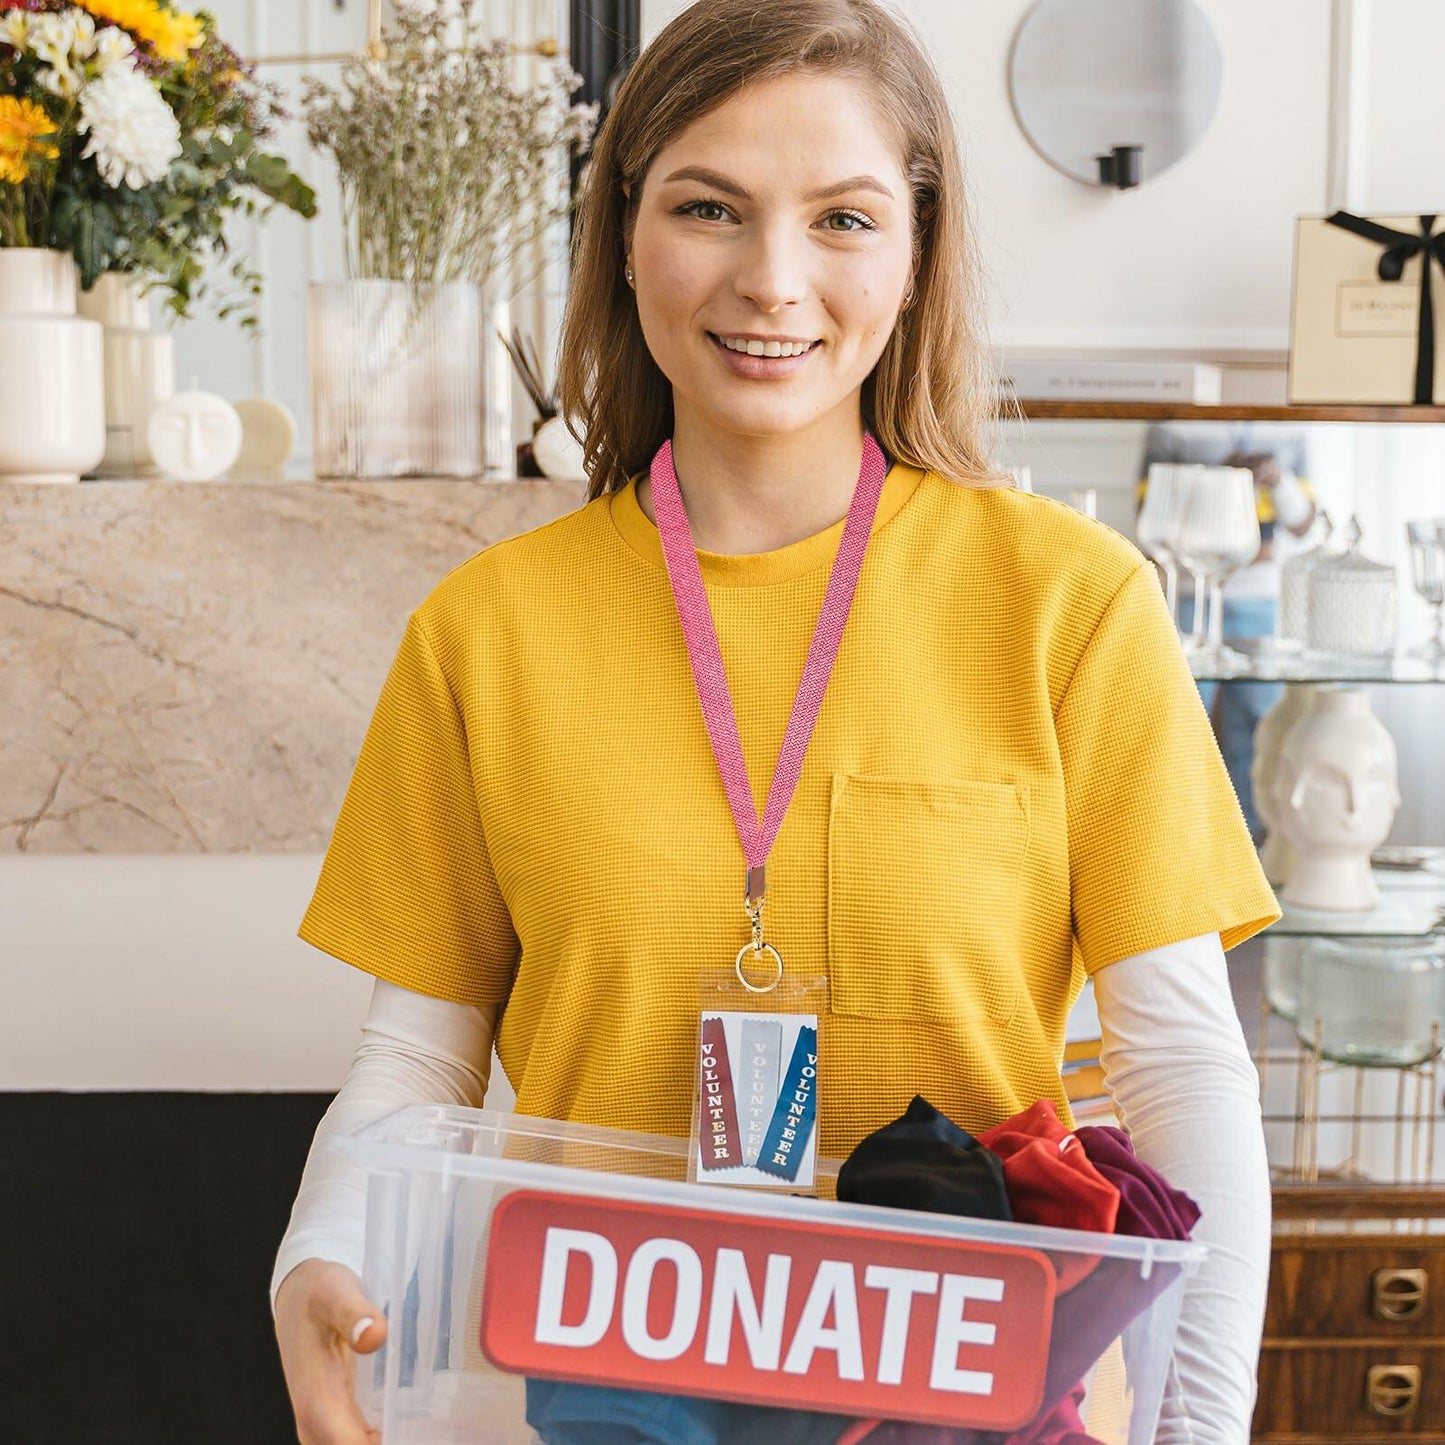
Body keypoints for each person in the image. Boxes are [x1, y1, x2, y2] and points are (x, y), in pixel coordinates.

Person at [272, 4, 1280, 1443]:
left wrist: (1198, 1431)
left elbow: (1179, 1069)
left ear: (916, 252)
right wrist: (313, 1255)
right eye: (708, 208)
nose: (772, 279)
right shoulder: (482, 632)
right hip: (599, 1406)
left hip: (984, 1409)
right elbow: (415, 1061)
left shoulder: (1071, 603)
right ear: (626, 233)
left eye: (843, 219)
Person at [1139, 423, 1318, 838]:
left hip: (1261, 597)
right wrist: (1219, 481)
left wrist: (1277, 479)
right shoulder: (1171, 423)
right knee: (1181, 723)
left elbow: (1304, 523)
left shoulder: (1291, 427)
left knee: (1257, 727)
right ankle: (1176, 838)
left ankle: (1250, 845)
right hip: (1190, 594)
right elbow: (1149, 510)